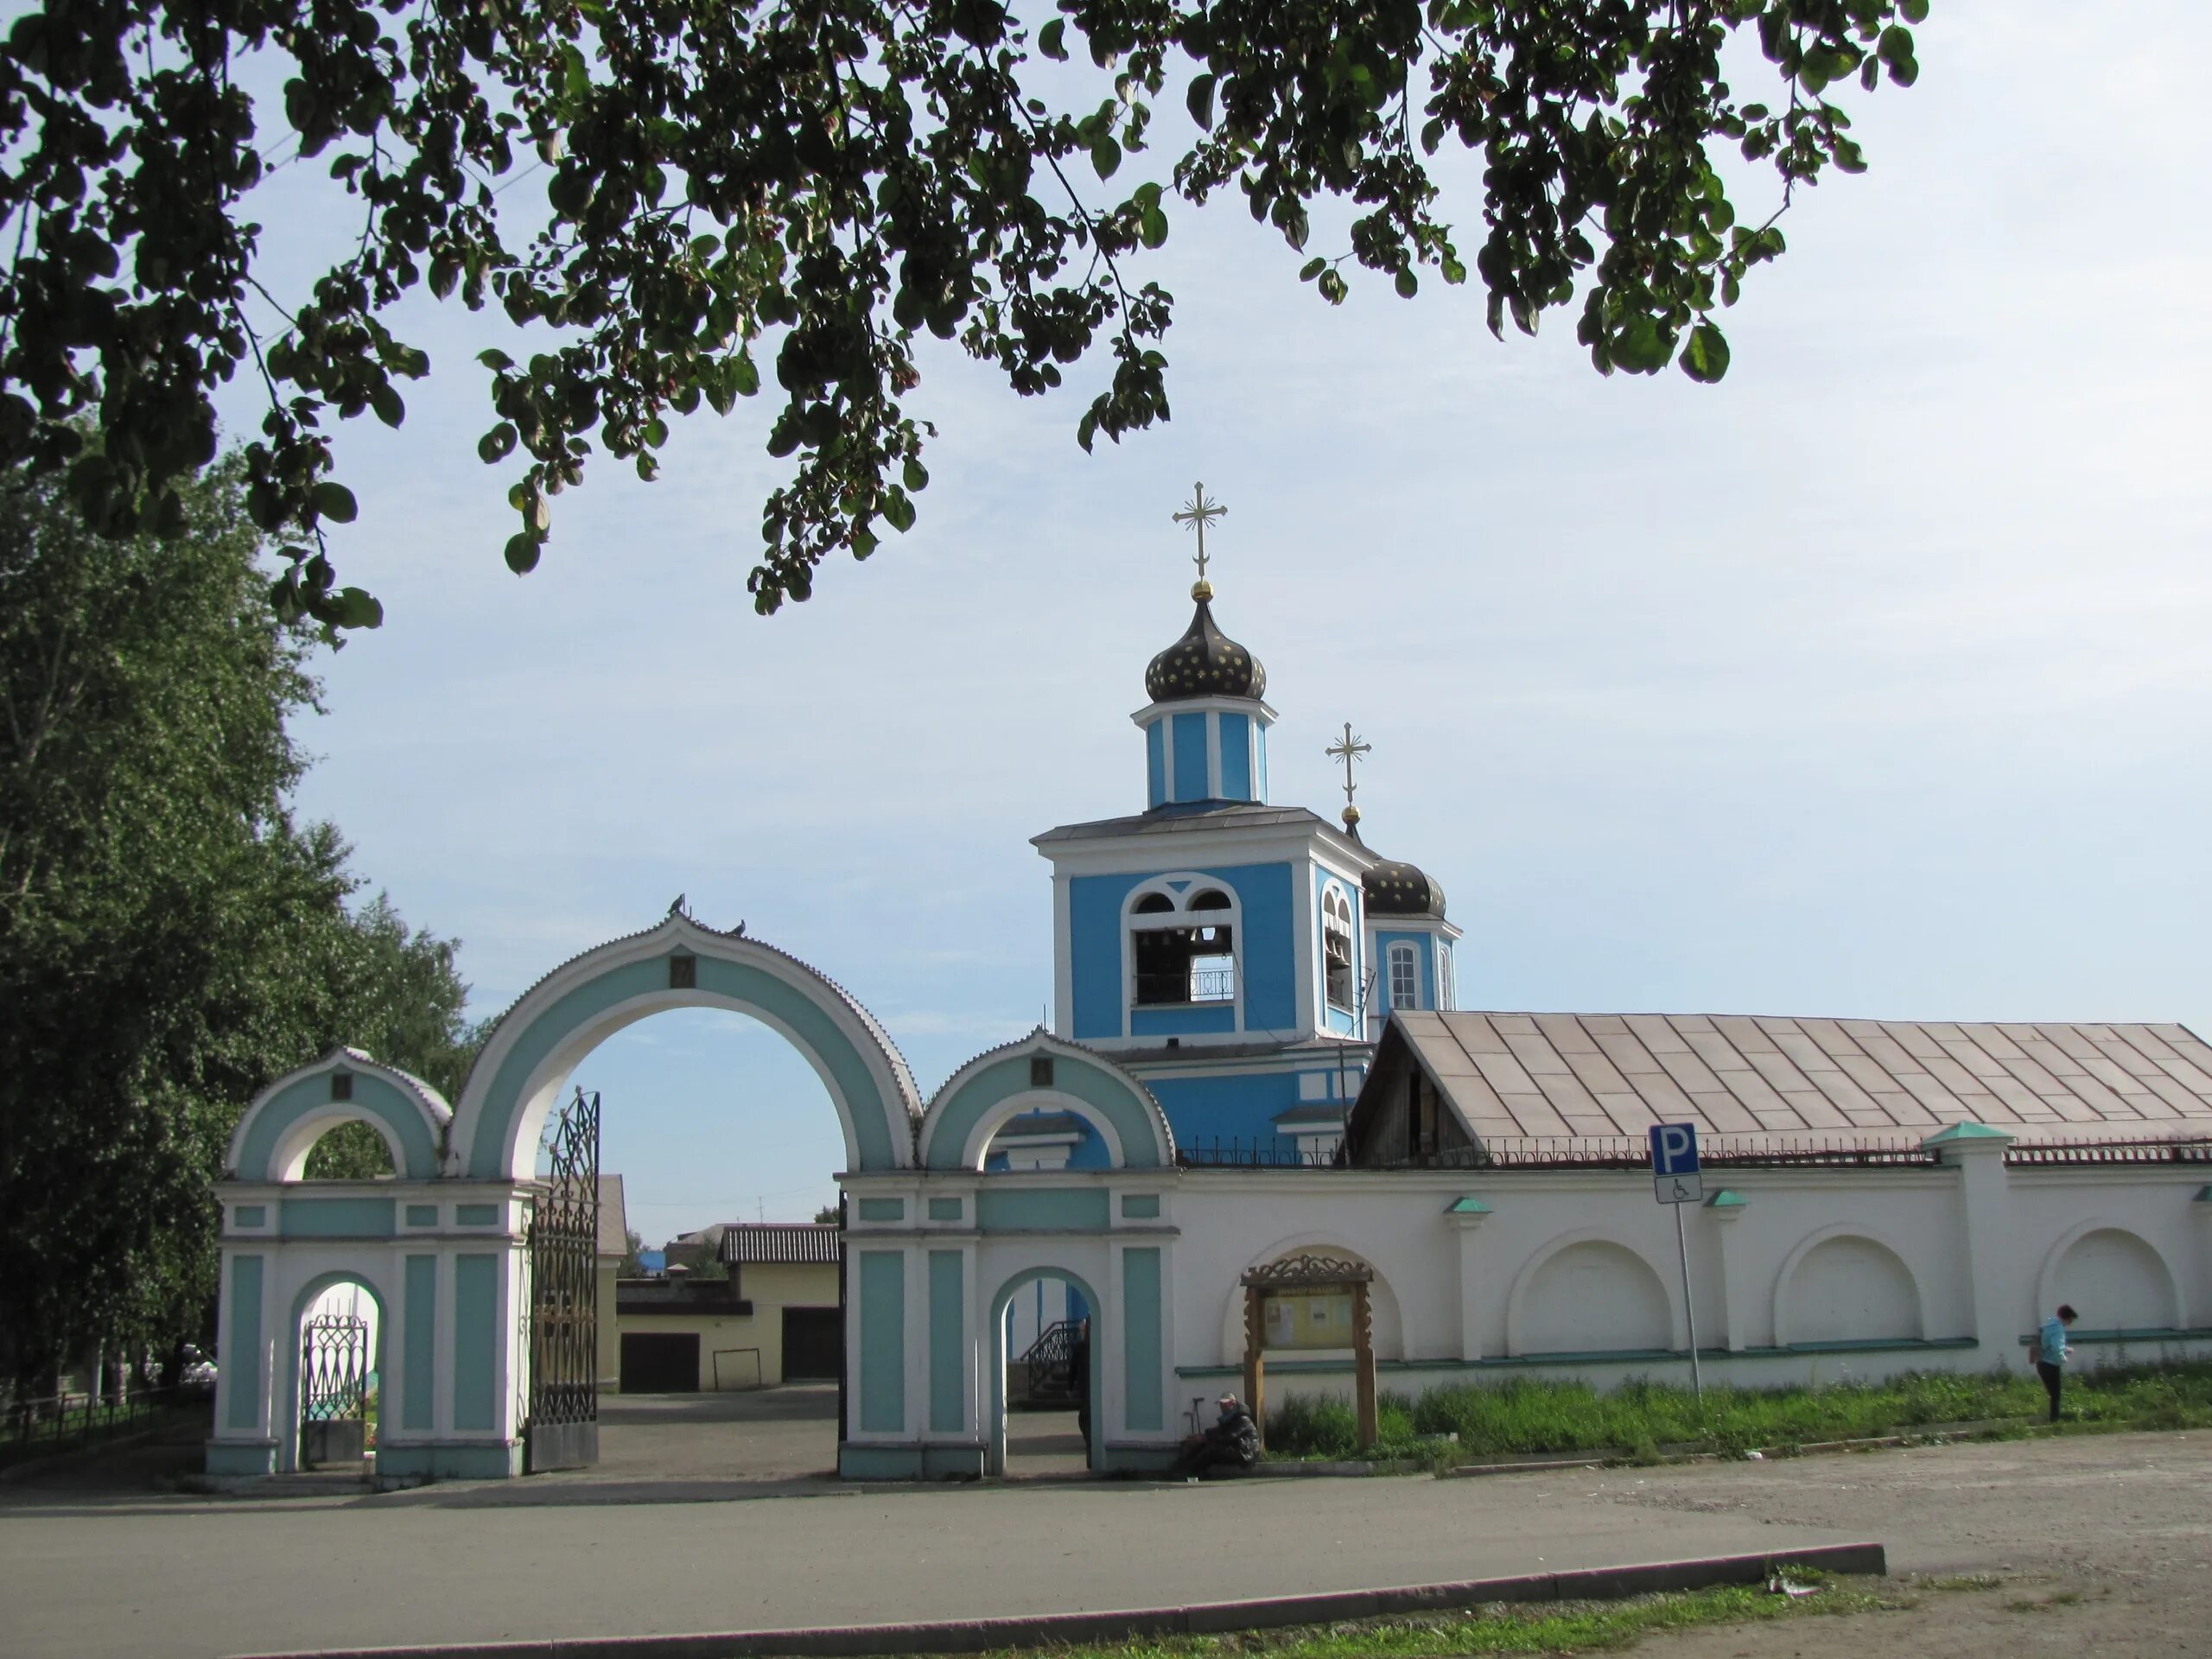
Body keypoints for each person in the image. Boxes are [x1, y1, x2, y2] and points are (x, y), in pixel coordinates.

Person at [1173, 1391, 1259, 1478]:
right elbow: (1219, 1432)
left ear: (1233, 1404)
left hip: (1244, 1453)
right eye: (1221, 1405)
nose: (1222, 1407)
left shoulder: (1242, 1419)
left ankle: (1191, 1472)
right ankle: (1180, 1469)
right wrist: (1202, 1436)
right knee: (1200, 1445)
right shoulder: (1228, 1418)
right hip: (1235, 1448)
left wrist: (1206, 1438)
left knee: (1212, 1449)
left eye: (1225, 1404)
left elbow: (1228, 1436)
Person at [2035, 1304, 2078, 1422]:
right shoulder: (2058, 1328)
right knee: (2056, 1396)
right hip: (2051, 1365)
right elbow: (2056, 1347)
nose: (2070, 1323)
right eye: (2070, 1320)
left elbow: (2050, 1343)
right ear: (2067, 1318)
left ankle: (2053, 1420)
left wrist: (2066, 1349)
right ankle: (2054, 1421)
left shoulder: (2048, 1325)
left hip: (2041, 1363)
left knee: (2053, 1395)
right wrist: (2063, 1358)